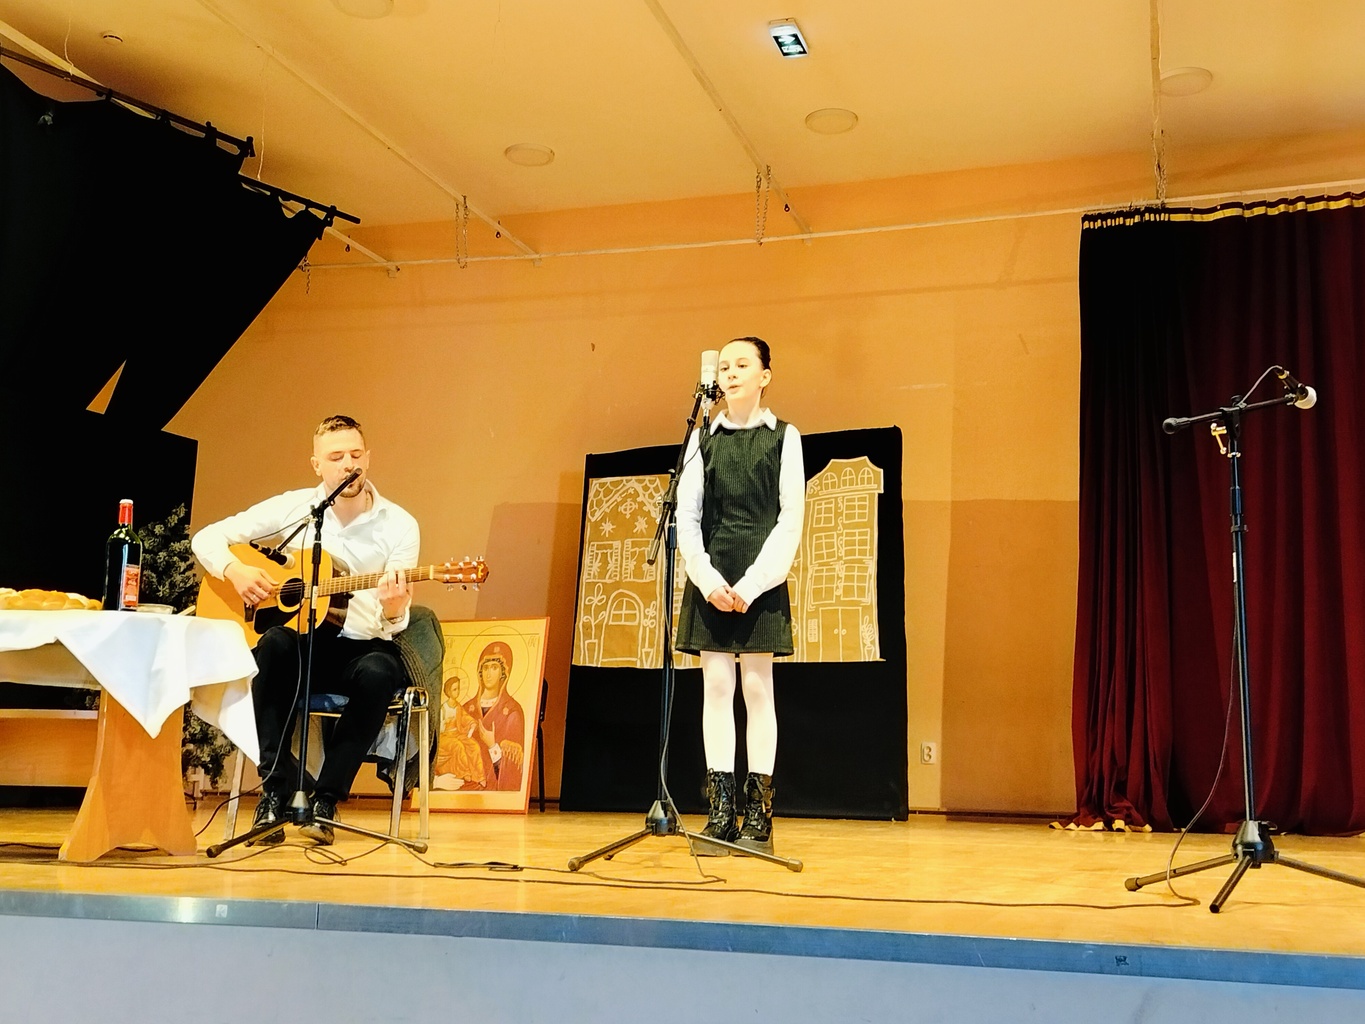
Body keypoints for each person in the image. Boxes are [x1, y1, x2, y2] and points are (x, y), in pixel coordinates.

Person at [191, 415, 419, 845]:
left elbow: (394, 617)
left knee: (379, 673)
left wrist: (394, 608)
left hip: (361, 647)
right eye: (336, 457)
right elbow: (206, 538)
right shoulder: (294, 509)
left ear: (368, 458)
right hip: (304, 642)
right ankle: (276, 792)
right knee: (273, 645)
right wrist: (235, 570)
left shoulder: (400, 524)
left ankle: (325, 801)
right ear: (316, 464)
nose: (348, 464)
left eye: (356, 455)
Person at [675, 337, 804, 856]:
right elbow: (686, 516)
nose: (730, 373)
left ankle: (759, 813)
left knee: (756, 686)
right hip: (712, 568)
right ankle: (721, 812)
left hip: (760, 573)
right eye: (724, 366)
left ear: (765, 375)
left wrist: (751, 584)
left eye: (742, 364)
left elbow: (790, 520)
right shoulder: (702, 438)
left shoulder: (785, 437)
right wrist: (707, 579)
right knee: (716, 686)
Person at [463, 641, 527, 792]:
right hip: (462, 787)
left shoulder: (512, 712)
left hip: (493, 791)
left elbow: (512, 775)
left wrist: (492, 745)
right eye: (485, 668)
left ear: (503, 672)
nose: (488, 674)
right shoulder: (466, 709)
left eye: (494, 668)